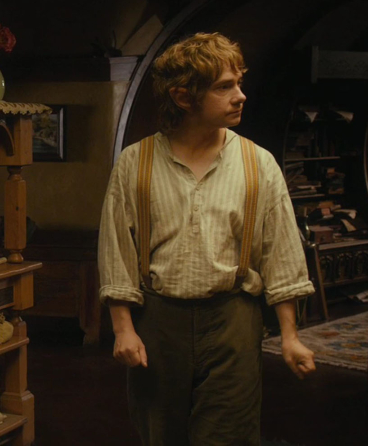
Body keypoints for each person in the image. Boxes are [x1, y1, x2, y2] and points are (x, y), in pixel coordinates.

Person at [97, 32, 316, 446]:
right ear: (183, 97)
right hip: (159, 321)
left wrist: (290, 336)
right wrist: (123, 329)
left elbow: (282, 253)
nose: (240, 96)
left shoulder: (258, 163)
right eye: (224, 87)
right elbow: (116, 252)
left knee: (229, 435)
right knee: (161, 433)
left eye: (239, 83)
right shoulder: (136, 164)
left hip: (233, 320)